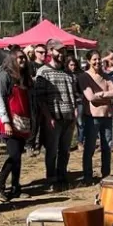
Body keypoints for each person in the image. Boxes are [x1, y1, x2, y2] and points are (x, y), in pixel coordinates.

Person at [35, 39, 79, 190]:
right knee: (52, 150)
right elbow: (40, 99)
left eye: (63, 51)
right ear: (50, 51)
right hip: (54, 118)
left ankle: (62, 175)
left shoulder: (68, 73)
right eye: (58, 51)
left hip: (69, 117)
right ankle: (51, 178)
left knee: (65, 150)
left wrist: (74, 111)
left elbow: (73, 93)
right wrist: (48, 117)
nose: (61, 54)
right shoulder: (43, 72)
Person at [0, 49, 34, 200]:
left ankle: (16, 187)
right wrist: (6, 122)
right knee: (14, 155)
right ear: (11, 59)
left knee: (18, 157)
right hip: (9, 122)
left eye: (24, 58)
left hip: (22, 123)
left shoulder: (24, 77)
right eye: (19, 58)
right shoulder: (4, 76)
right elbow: (0, 99)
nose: (23, 60)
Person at [77, 50, 113, 184]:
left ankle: (106, 174)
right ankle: (87, 176)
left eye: (99, 59)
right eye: (94, 59)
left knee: (107, 147)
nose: (97, 62)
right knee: (90, 148)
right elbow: (90, 98)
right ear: (88, 61)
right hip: (92, 117)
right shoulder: (84, 77)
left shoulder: (106, 77)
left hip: (107, 116)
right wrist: (106, 95)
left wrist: (101, 95)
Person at [27, 44, 49, 155]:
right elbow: (30, 80)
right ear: (35, 53)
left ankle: (42, 144)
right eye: (40, 52)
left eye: (45, 52)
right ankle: (30, 144)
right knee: (34, 122)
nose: (43, 54)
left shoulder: (47, 66)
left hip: (45, 97)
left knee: (45, 122)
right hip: (33, 97)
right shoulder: (31, 65)